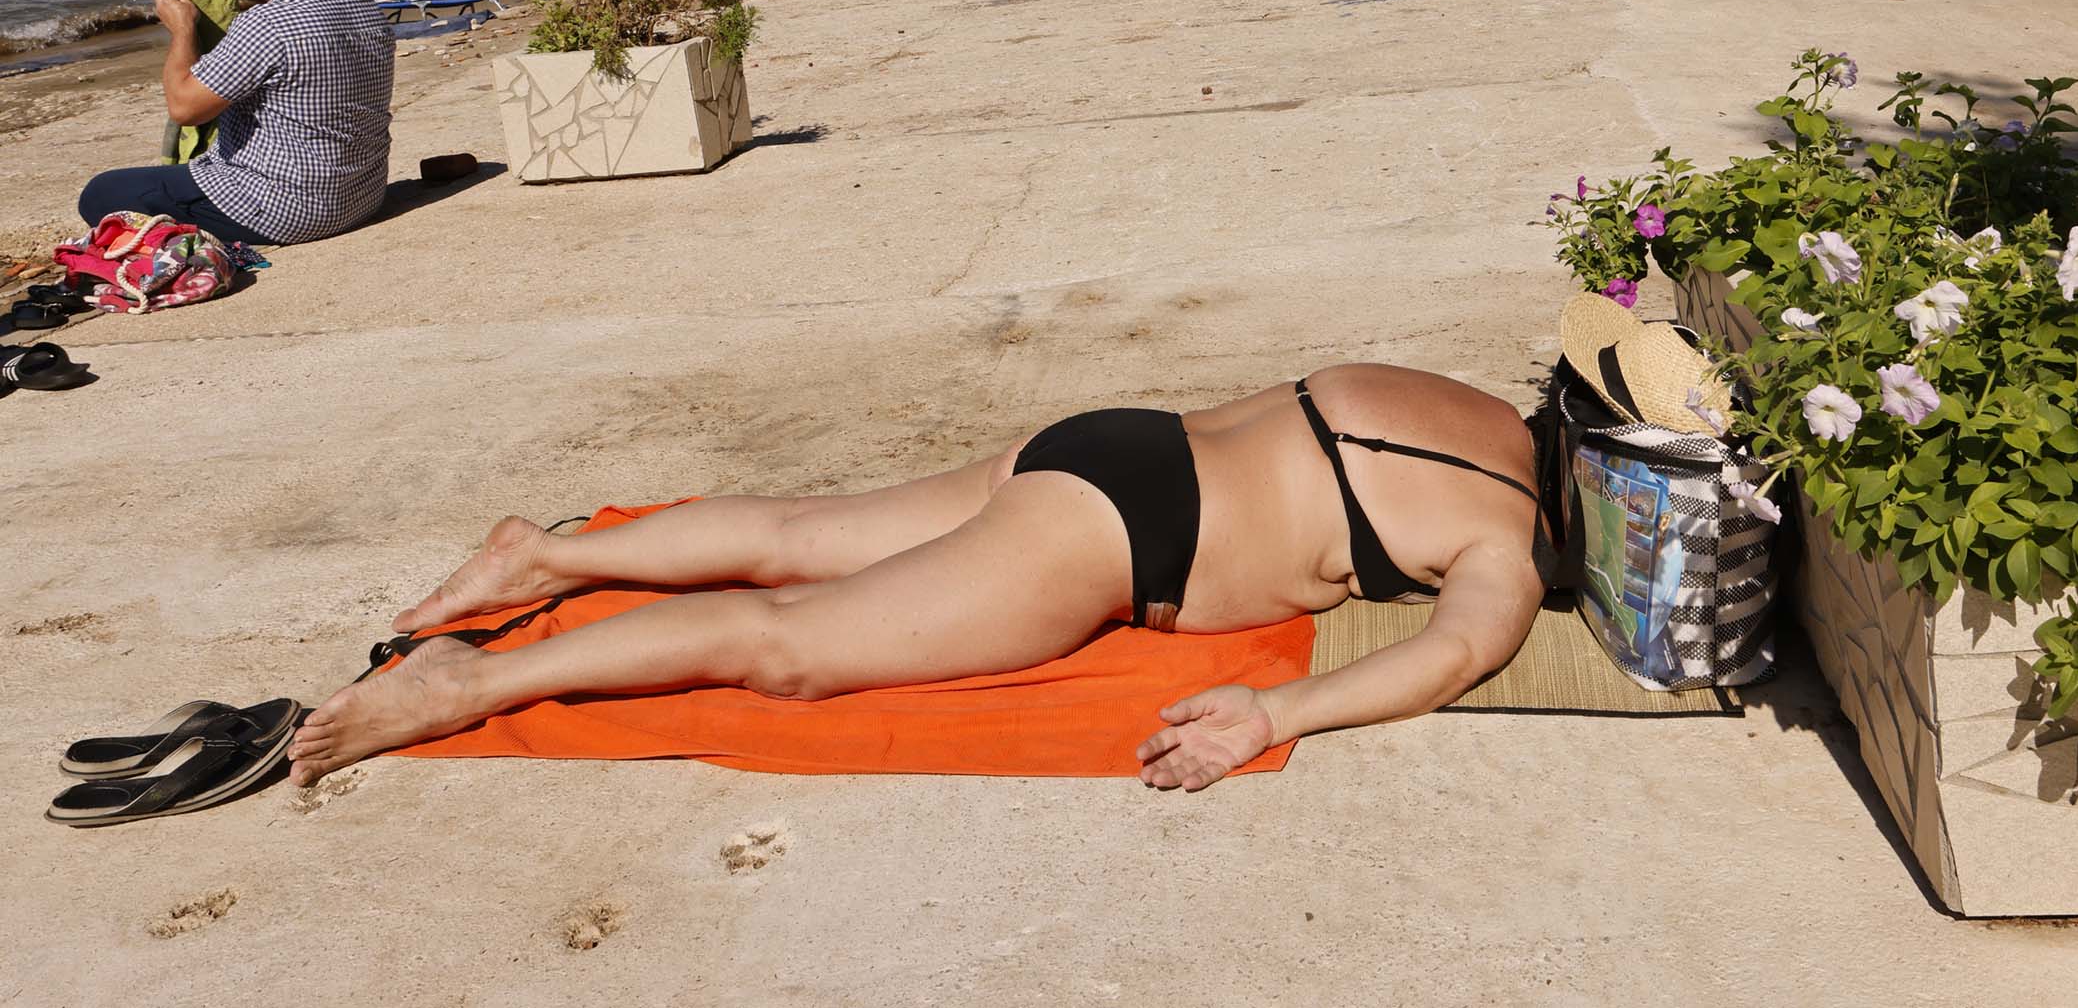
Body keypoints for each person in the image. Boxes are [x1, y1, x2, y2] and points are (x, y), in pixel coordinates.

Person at [287, 359, 1601, 790]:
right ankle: (472, 683)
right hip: (1120, 540)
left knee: (803, 534)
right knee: (788, 642)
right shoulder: (1508, 552)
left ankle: (549, 553)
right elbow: (1445, 658)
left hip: (1114, 442)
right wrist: (1278, 713)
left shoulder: (1463, 399)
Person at [77, 0, 395, 247]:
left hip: (290, 211)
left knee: (99, 193)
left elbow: (185, 109)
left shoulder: (266, 26)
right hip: (361, 196)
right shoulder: (368, 11)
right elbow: (303, 49)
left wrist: (182, 29)